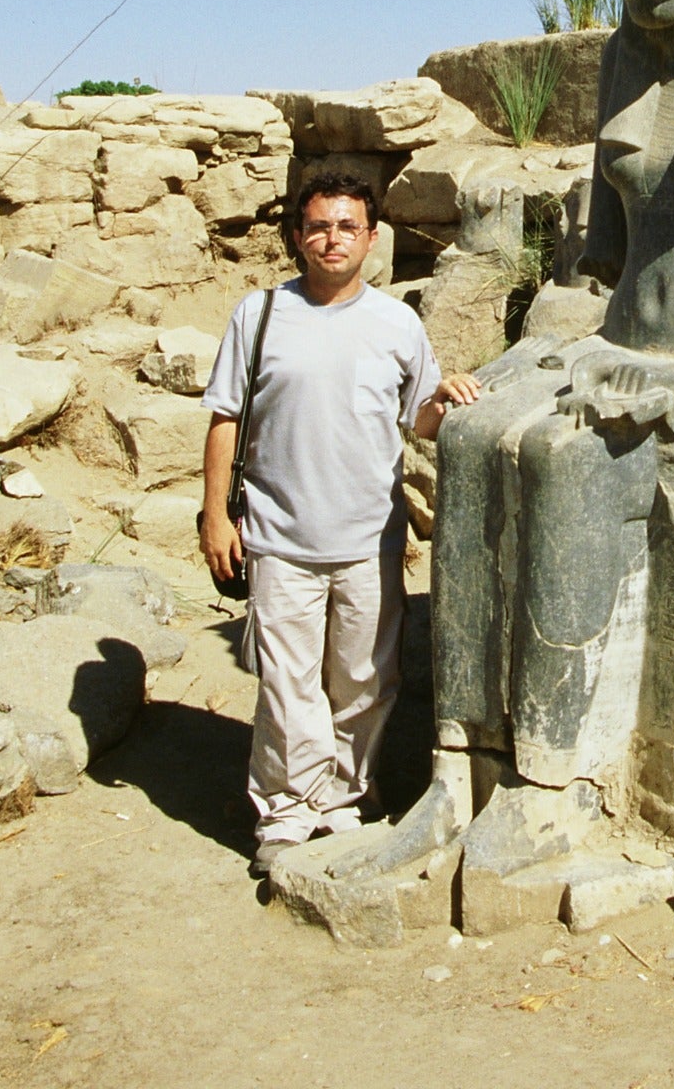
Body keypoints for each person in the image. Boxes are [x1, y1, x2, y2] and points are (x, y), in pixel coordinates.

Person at [199, 169, 479, 878]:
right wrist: (212, 515)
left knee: (363, 680)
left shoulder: (397, 323)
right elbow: (226, 417)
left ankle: (344, 798)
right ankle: (288, 815)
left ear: (372, 238)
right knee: (287, 683)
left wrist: (445, 399)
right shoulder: (259, 315)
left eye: (346, 226)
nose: (332, 238)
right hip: (278, 536)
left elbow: (415, 418)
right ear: (298, 236)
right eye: (319, 226)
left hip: (367, 538)